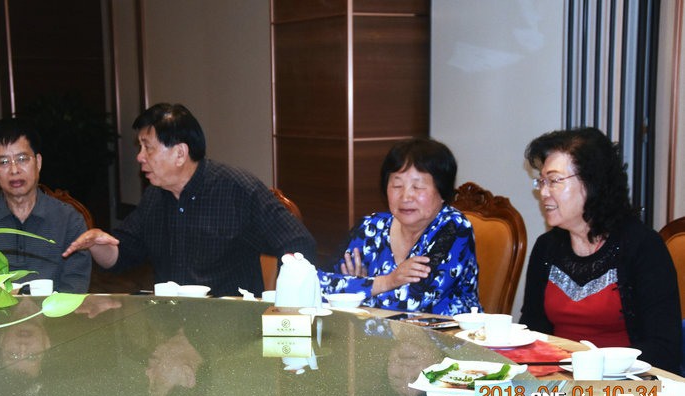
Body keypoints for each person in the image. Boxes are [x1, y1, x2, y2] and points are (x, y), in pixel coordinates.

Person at [62, 103, 316, 297]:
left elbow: (298, 242)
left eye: (147, 147)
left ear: (180, 153)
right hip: (171, 329)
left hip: (229, 329)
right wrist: (96, 243)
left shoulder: (237, 189)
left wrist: (285, 305)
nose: (140, 157)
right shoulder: (155, 196)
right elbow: (122, 254)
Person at [519, 127, 682, 373]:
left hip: (623, 383)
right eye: (541, 181)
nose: (543, 192)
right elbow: (533, 329)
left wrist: (594, 366)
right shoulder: (547, 248)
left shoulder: (641, 246)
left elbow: (664, 348)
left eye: (554, 181)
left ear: (592, 182)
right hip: (556, 379)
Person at [318, 138, 480, 315]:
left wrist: (358, 290)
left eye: (417, 187)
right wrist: (385, 282)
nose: (405, 196)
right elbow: (314, 285)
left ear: (443, 192)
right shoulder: (371, 227)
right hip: (375, 331)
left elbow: (411, 303)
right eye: (397, 185)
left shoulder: (453, 229)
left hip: (448, 331)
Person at [0, 118, 91, 293]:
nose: (14, 170)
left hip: (54, 310)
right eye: (3, 162)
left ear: (38, 162)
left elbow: (76, 286)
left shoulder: (69, 220)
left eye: (22, 159)